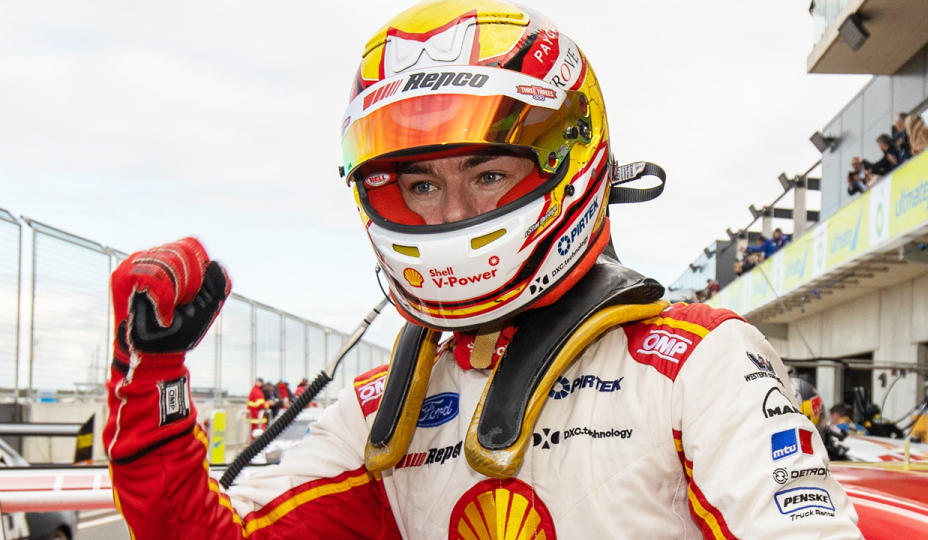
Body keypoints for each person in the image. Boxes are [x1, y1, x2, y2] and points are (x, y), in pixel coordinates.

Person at [102, 2, 861, 538]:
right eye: (421, 185)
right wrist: (152, 373)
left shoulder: (697, 361)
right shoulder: (377, 410)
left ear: (569, 165)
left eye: (489, 175)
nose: (447, 214)